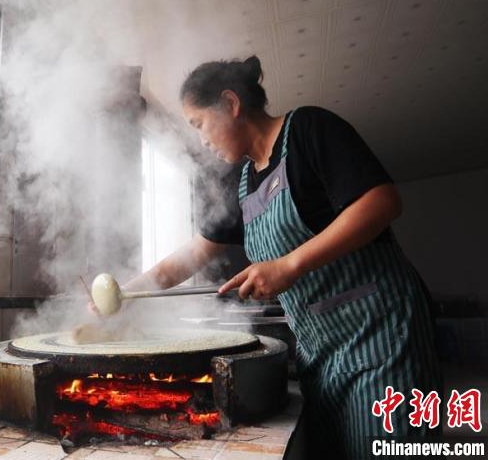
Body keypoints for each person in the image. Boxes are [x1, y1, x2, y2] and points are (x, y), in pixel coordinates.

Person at [112, 56, 442, 459]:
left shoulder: (309, 130)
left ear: (231, 103)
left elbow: (381, 203)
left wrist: (289, 265)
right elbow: (193, 253)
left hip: (383, 337)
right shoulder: (240, 184)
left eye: (199, 124)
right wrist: (126, 295)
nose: (201, 141)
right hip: (320, 351)